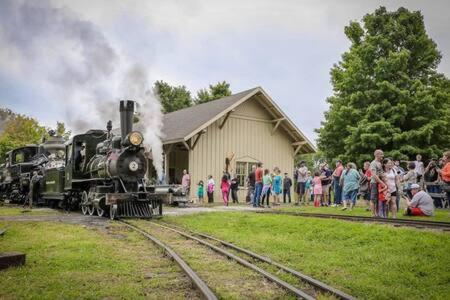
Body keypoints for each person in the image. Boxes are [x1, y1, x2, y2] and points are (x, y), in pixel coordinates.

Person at [370, 149, 384, 217]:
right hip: (374, 183)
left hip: (379, 183)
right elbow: (373, 174)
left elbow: (381, 174)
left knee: (378, 199)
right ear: (376, 155)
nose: (382, 156)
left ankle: (377, 213)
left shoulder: (379, 163)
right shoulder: (373, 163)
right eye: (381, 154)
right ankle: (373, 214)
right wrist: (381, 182)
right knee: (373, 199)